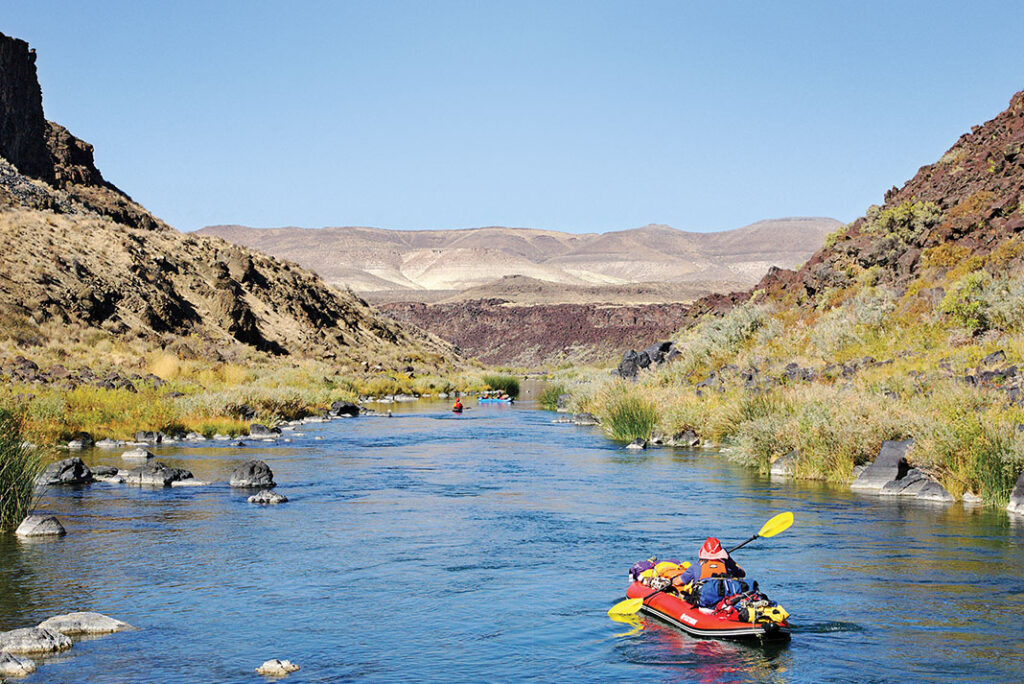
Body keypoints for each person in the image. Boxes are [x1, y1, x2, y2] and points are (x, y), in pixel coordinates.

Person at [674, 537, 744, 588]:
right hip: (722, 600)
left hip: (702, 601)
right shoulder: (727, 565)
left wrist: (673, 580)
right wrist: (729, 559)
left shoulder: (696, 566)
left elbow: (678, 582)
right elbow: (742, 573)